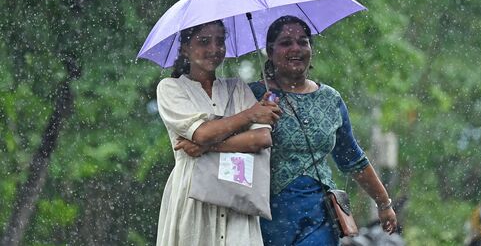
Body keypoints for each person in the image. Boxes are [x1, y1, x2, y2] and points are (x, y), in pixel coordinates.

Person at [247, 15, 398, 245]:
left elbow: (352, 158)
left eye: (303, 41)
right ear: (270, 51)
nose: (296, 48)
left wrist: (383, 203)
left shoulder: (330, 99)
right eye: (286, 43)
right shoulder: (252, 96)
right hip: (266, 215)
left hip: (319, 215)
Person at [155, 20, 281, 246]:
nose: (214, 49)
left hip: (238, 196)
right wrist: (250, 115)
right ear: (185, 48)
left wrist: (206, 147)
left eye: (220, 41)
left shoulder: (237, 88)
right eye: (204, 41)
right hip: (193, 198)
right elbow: (202, 132)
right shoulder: (170, 88)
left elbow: (261, 138)